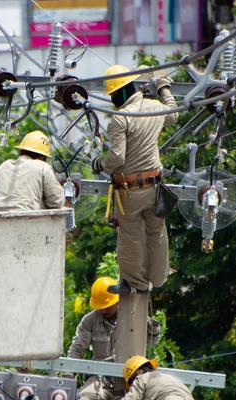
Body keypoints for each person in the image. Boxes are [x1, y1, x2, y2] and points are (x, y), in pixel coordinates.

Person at [90, 65, 179, 294]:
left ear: (120, 92)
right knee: (156, 232)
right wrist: (163, 86)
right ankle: (158, 278)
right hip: (155, 187)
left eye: (112, 95)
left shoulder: (120, 119)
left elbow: (117, 158)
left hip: (129, 192)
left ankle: (135, 284)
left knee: (130, 237)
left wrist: (99, 163)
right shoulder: (153, 108)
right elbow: (173, 113)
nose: (112, 100)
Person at [67, 278, 161, 400]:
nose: (102, 310)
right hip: (100, 379)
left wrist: (152, 329)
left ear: (117, 301)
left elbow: (152, 342)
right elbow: (77, 348)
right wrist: (68, 373)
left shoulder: (134, 317)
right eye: (99, 307)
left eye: (106, 306)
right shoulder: (90, 321)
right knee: (88, 396)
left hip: (131, 378)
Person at [0, 130, 65, 212]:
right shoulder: (43, 167)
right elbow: (56, 202)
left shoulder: (4, 166)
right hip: (31, 221)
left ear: (21, 150)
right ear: (42, 156)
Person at [122, 356, 194, 400]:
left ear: (139, 372)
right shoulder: (168, 379)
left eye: (132, 382)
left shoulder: (142, 378)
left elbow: (132, 398)